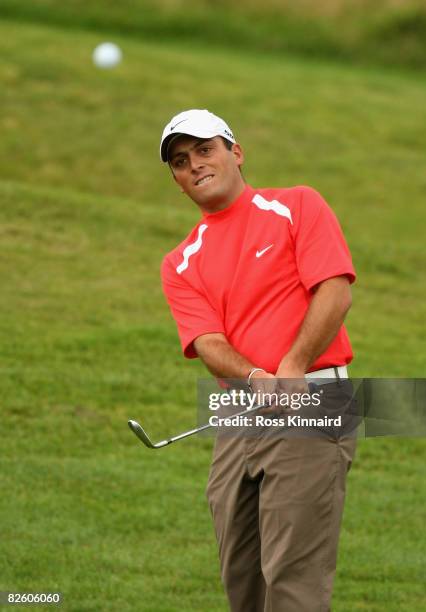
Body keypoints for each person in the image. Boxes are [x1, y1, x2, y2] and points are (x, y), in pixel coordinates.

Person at [159, 108, 358, 612]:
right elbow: (207, 342)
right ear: (178, 182)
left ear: (236, 152)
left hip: (312, 402)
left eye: (205, 150)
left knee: (293, 582)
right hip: (238, 416)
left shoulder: (296, 206)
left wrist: (293, 366)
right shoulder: (181, 262)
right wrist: (253, 375)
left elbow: (333, 292)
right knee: (241, 579)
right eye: (181, 162)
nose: (195, 165)